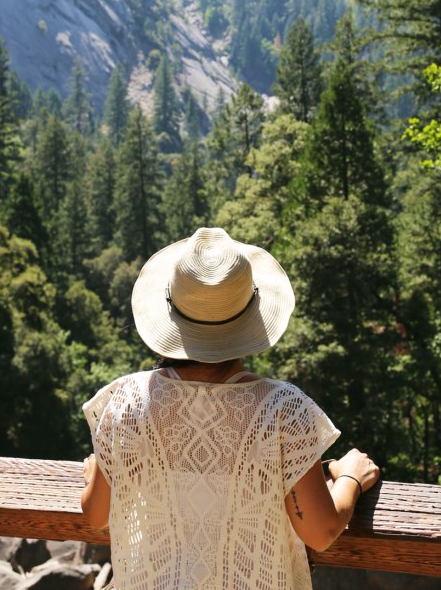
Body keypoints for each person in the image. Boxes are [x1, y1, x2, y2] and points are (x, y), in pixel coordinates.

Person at [81, 227, 379, 590]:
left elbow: (96, 514)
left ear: (172, 313)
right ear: (249, 319)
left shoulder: (127, 402)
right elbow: (320, 531)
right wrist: (351, 477)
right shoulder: (282, 410)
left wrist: (102, 467)